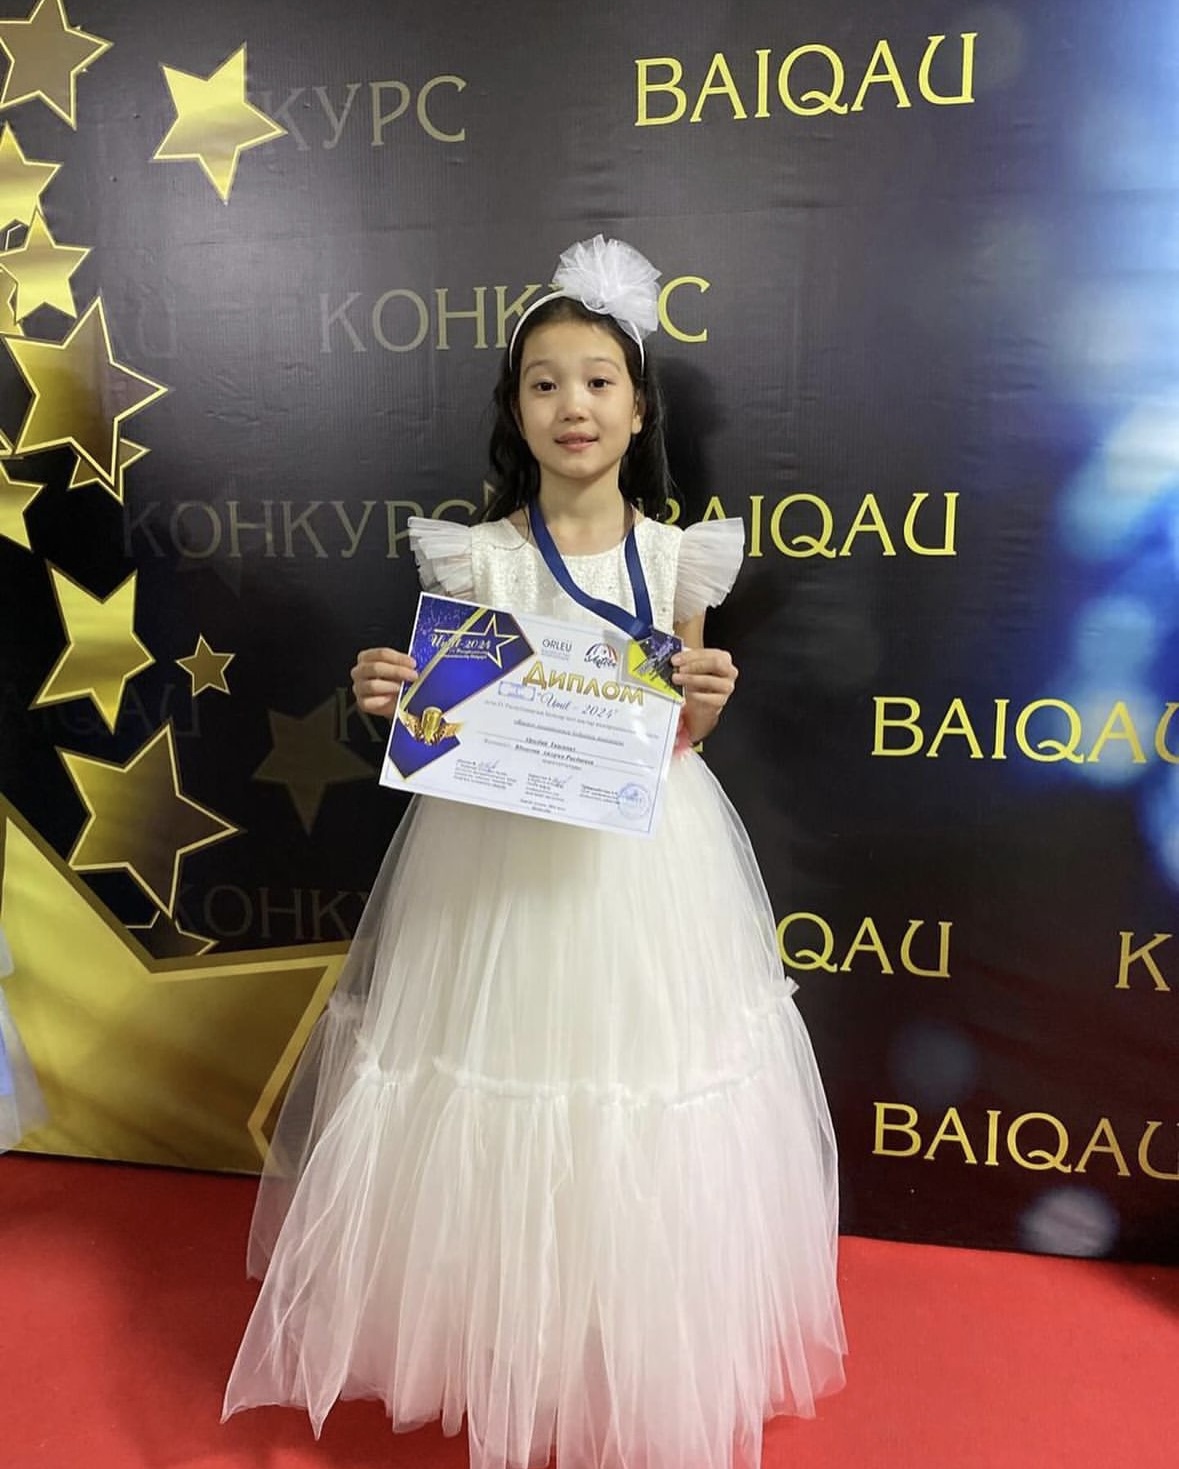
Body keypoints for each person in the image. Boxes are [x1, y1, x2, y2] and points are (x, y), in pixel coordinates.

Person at [224, 236, 845, 1469]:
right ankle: (504, 1344)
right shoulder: (478, 556)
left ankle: (625, 1344)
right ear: (515, 409)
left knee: (639, 1091)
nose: (574, 405)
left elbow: (677, 731)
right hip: (494, 866)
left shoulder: (678, 556)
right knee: (486, 1080)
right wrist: (394, 698)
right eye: (545, 382)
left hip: (643, 869)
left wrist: (704, 700)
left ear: (639, 405)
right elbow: (452, 728)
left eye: (599, 380)